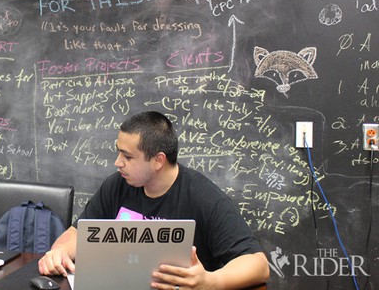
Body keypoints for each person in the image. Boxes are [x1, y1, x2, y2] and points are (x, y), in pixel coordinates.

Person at [38, 111, 269, 289]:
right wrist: (59, 252)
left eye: (128, 156)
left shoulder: (205, 198)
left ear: (158, 160)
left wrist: (212, 281)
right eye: (119, 152)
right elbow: (77, 234)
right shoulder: (116, 185)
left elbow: (258, 264)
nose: (118, 162)